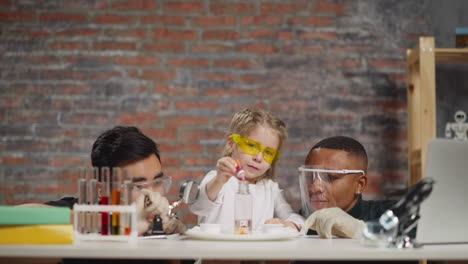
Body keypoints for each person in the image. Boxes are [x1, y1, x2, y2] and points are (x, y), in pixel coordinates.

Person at [44, 126, 185, 235]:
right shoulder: (84, 210)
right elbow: (23, 215)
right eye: (137, 186)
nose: (152, 195)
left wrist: (177, 241)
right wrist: (120, 223)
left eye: (158, 182)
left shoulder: (163, 222)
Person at [189, 108, 304, 232]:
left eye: (268, 153)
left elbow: (297, 219)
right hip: (218, 250)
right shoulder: (218, 180)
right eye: (251, 146)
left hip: (254, 251)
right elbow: (198, 207)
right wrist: (219, 180)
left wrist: (287, 224)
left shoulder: (270, 188)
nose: (258, 158)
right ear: (231, 144)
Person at [300, 136, 397, 239]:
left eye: (330, 177)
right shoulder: (303, 219)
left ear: (359, 184)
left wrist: (360, 229)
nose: (314, 188)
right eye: (309, 177)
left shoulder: (387, 213)